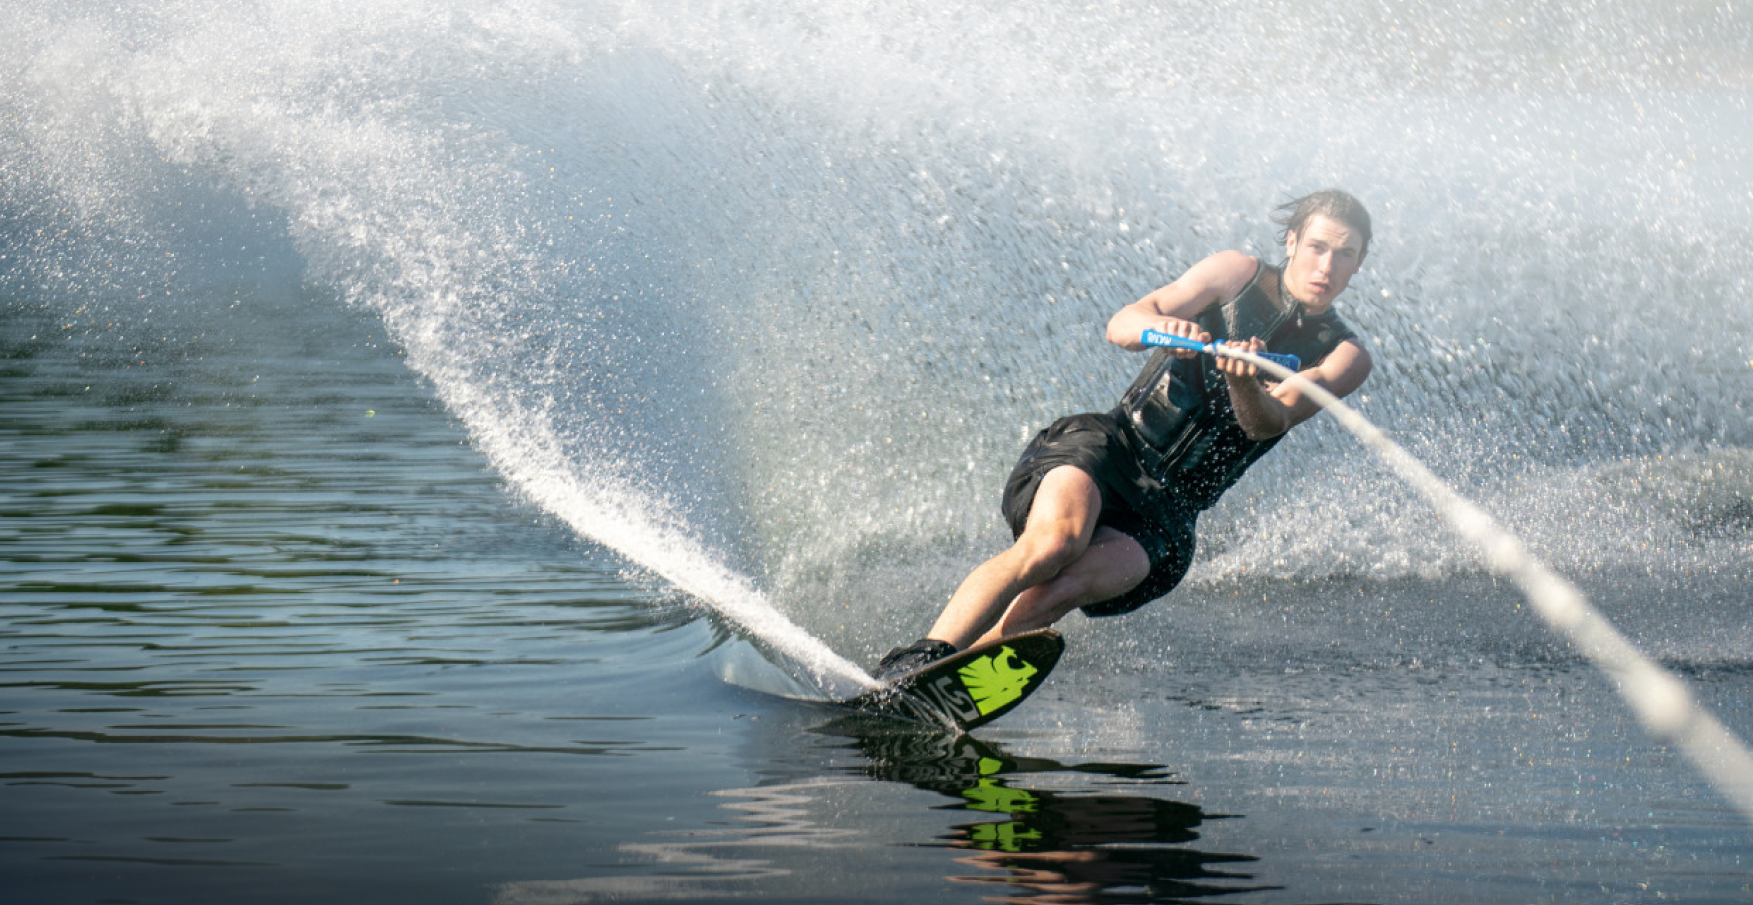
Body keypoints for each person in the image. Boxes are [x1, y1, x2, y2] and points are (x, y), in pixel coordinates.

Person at [876, 189, 1375, 679]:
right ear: (1291, 242)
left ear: (1358, 263)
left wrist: (1241, 383)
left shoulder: (1343, 356)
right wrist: (1162, 329)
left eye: (1344, 255)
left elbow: (1267, 421)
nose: (1326, 267)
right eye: (1317, 247)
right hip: (1109, 448)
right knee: (1055, 544)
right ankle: (919, 656)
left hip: (1168, 514)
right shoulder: (1235, 273)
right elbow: (1122, 324)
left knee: (1059, 591)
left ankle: (940, 684)